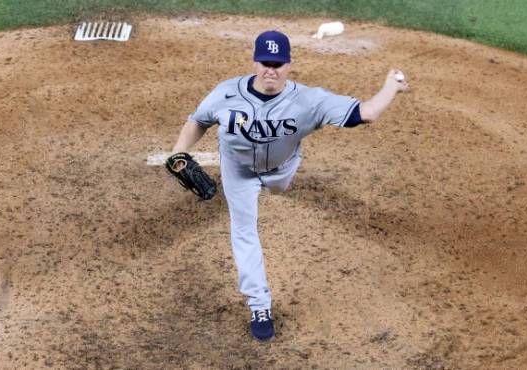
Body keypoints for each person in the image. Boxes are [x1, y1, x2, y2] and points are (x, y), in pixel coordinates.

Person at [170, 30, 409, 341]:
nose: (272, 69)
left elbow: (367, 113)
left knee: (278, 188)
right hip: (237, 169)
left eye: (278, 63)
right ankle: (260, 306)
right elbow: (198, 120)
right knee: (244, 231)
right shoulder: (225, 93)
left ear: (289, 64)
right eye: (266, 62)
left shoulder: (309, 100)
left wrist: (391, 87)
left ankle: (275, 182)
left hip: (282, 170)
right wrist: (179, 151)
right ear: (255, 62)